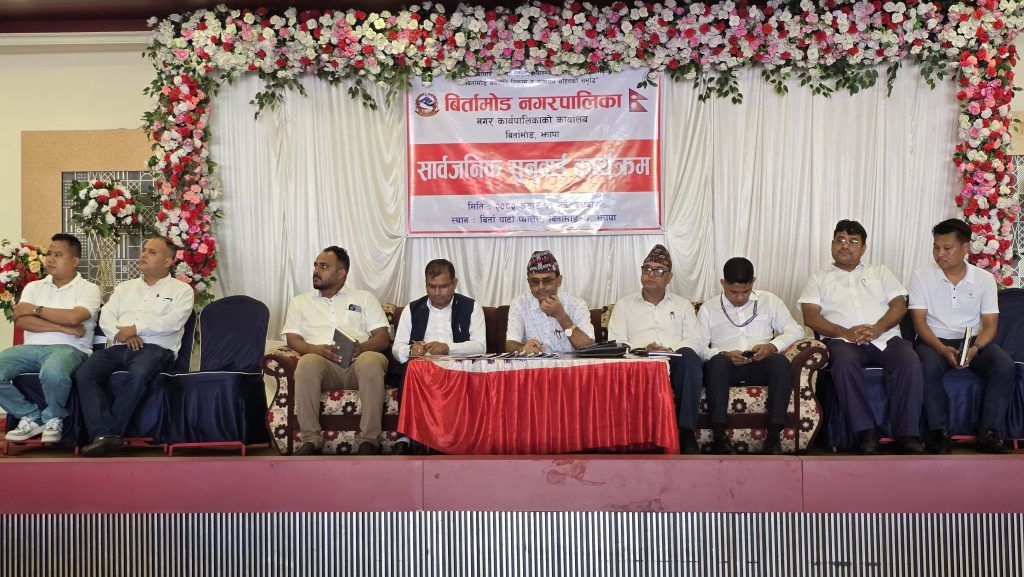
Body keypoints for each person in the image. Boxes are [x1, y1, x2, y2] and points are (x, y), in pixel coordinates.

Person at [798, 220, 925, 454]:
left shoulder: (881, 272)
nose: (845, 246)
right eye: (840, 240)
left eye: (853, 241)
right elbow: (810, 317)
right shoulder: (818, 278)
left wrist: (878, 328)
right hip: (842, 341)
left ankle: (907, 433)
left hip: (884, 338)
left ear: (863, 248)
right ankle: (865, 432)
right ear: (832, 244)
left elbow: (900, 305)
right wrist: (844, 332)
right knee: (844, 364)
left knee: (909, 359)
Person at [76, 236, 195, 457]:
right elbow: (107, 317)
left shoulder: (182, 290)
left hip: (157, 349)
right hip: (120, 345)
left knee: (139, 372)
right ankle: (107, 435)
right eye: (144, 250)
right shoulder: (125, 288)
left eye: (152, 252)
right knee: (85, 373)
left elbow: (173, 322)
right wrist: (125, 334)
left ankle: (106, 436)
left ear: (168, 261)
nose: (143, 254)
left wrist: (136, 328)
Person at [908, 218, 1014, 454]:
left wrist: (976, 349)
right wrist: (940, 348)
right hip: (933, 340)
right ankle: (939, 433)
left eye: (947, 248)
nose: (940, 254)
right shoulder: (921, 276)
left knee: (1004, 366)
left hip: (974, 341)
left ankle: (989, 433)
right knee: (927, 366)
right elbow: (919, 322)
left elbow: (990, 325)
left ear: (965, 247)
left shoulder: (984, 279)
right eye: (936, 247)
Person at [283, 246, 390, 456]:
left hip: (358, 363)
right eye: (315, 265)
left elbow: (382, 337)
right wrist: (316, 350)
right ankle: (311, 441)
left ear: (341, 273)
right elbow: (292, 339)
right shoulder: (300, 302)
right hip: (323, 366)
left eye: (324, 266)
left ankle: (368, 441)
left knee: (371, 360)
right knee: (307, 362)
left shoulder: (364, 298)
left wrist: (361, 348)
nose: (316, 270)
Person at [0, 233, 101, 443]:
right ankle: (30, 416)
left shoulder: (89, 289)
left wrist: (35, 309)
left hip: (70, 348)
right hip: (30, 348)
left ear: (75, 261)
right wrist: (62, 327)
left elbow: (74, 317)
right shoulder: (34, 287)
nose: (50, 259)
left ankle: (54, 417)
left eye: (58, 255)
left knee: (53, 371)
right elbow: (22, 321)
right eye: (49, 254)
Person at [697, 257, 804, 455]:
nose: (740, 298)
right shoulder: (708, 309)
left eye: (745, 291)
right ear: (723, 283)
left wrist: (771, 346)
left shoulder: (769, 301)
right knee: (718, 363)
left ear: (753, 281)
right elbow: (699, 346)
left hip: (759, 364)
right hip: (726, 368)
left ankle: (773, 438)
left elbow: (796, 330)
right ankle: (719, 437)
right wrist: (724, 354)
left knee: (779, 362)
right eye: (734, 292)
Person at [607, 244, 705, 454]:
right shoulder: (624, 305)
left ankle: (686, 432)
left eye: (659, 270)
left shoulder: (682, 305)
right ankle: (635, 437)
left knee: (690, 357)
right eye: (647, 269)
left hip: (676, 359)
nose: (651, 274)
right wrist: (642, 351)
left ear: (670, 277)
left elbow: (695, 339)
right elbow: (616, 341)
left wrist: (669, 350)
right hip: (639, 362)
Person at [392, 258, 486, 453]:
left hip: (457, 367)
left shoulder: (471, 307)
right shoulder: (412, 309)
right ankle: (404, 437)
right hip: (423, 370)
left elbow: (480, 346)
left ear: (454, 283)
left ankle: (458, 438)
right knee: (411, 367)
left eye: (443, 287)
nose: (437, 292)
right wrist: (410, 351)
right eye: (432, 287)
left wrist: (448, 348)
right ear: (425, 284)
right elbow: (397, 346)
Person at [505, 250, 595, 354]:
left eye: (547, 281)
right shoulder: (519, 304)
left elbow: (588, 347)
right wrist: (523, 348)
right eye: (535, 281)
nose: (541, 287)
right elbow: (510, 344)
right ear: (528, 282)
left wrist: (561, 316)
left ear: (559, 280)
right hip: (534, 364)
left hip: (568, 364)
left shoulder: (577, 305)